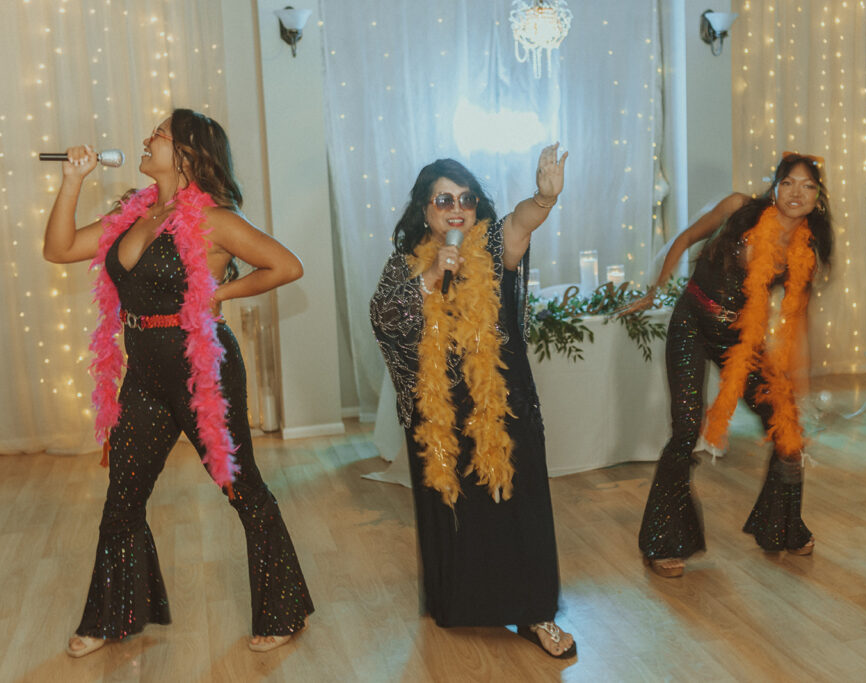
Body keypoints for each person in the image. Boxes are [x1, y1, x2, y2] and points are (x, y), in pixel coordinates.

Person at [43, 109, 314, 657]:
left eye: (159, 136)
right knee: (122, 495)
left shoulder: (214, 219)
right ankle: (109, 617)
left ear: (188, 153)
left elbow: (286, 266)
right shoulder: (132, 210)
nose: (146, 139)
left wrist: (221, 296)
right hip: (143, 370)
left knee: (242, 489)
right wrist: (72, 182)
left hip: (201, 372)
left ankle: (284, 609)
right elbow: (61, 248)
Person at [369, 145, 576, 658]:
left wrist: (544, 198)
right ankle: (465, 603)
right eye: (444, 200)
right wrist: (432, 276)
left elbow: (522, 225)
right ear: (424, 209)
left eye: (466, 198)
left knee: (520, 507)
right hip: (439, 411)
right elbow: (384, 319)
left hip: (502, 404)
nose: (457, 208)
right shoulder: (404, 265)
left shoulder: (491, 244)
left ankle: (535, 613)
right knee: (456, 510)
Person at [627, 153, 833, 578]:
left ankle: (783, 527)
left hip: (740, 337)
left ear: (818, 197)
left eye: (808, 186)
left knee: (787, 426)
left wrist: (801, 379)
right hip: (692, 321)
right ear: (774, 187)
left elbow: (799, 319)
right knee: (686, 428)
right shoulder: (739, 207)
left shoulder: (804, 248)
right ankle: (662, 542)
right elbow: (684, 239)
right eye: (789, 183)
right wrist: (653, 292)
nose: (797, 193)